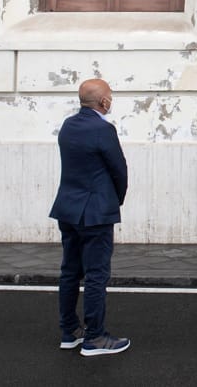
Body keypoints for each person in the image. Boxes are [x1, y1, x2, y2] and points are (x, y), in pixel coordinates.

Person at [48, 78, 131, 356]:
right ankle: (95, 337)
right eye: (110, 96)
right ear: (103, 102)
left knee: (70, 271)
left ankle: (69, 331)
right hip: (95, 212)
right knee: (96, 275)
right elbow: (119, 170)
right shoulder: (103, 130)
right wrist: (114, 200)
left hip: (68, 208)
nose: (111, 100)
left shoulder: (68, 126)